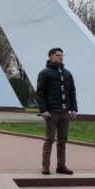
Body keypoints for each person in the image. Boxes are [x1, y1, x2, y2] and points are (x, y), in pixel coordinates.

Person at [36, 47, 77, 175]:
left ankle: (61, 166)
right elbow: (40, 93)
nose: (61, 57)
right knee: (49, 139)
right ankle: (45, 166)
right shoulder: (44, 73)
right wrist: (44, 110)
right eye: (58, 55)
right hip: (51, 112)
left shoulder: (67, 73)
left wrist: (74, 109)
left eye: (61, 55)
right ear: (51, 57)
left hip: (65, 111)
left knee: (62, 140)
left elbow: (72, 92)